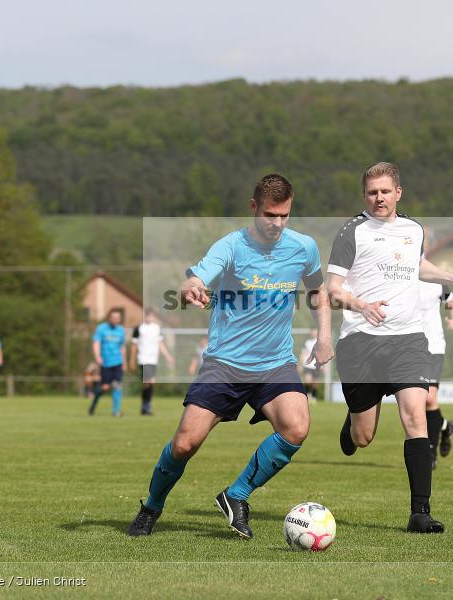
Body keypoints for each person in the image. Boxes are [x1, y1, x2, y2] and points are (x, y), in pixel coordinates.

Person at [127, 173, 333, 539]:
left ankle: (236, 495)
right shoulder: (231, 246)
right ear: (254, 207)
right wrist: (192, 290)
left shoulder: (304, 247)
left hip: (275, 364)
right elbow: (196, 278)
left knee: (297, 427)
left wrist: (325, 335)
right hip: (225, 363)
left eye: (285, 215)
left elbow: (318, 291)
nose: (278, 223)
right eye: (271, 215)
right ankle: (152, 506)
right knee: (184, 444)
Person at [327, 162, 453, 534]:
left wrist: (452, 278)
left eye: (385, 191)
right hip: (361, 344)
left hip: (408, 340)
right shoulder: (351, 231)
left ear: (398, 193)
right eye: (372, 192)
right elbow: (332, 289)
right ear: (365, 195)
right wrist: (361, 305)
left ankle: (420, 512)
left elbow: (419, 266)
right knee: (363, 437)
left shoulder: (413, 229)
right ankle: (354, 419)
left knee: (415, 416)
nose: (379, 198)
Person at [419, 279, 453, 470]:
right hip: (406, 347)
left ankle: (430, 453)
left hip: (433, 347)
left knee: (428, 398)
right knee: (415, 402)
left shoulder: (436, 283)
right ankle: (444, 426)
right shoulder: (401, 276)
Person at [129, 308, 175, 416]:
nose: (150, 317)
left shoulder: (157, 328)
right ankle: (146, 406)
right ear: (144, 316)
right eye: (147, 315)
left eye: (151, 315)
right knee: (149, 381)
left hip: (153, 360)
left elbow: (160, 344)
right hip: (143, 359)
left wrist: (168, 356)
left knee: (148, 383)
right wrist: (131, 359)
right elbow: (134, 345)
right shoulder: (139, 328)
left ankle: (145, 406)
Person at [89, 309, 127, 417]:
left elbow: (122, 347)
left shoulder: (121, 330)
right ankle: (95, 400)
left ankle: (116, 411)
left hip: (118, 361)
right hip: (106, 362)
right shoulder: (101, 329)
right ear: (109, 318)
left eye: (118, 318)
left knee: (117, 385)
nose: (116, 319)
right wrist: (97, 356)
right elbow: (96, 343)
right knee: (105, 387)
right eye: (114, 317)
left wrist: (124, 362)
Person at [297, 328, 322, 400]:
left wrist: (325, 365)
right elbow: (303, 354)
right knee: (307, 380)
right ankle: (306, 396)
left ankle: (314, 397)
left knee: (315, 383)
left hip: (317, 366)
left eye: (315, 331)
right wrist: (300, 365)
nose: (314, 333)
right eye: (313, 331)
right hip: (308, 365)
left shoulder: (320, 342)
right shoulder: (307, 342)